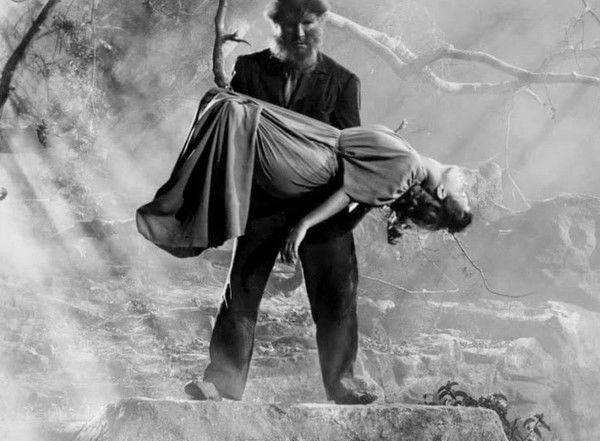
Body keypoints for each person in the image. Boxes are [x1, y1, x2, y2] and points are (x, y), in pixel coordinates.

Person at [136, 89, 473, 404]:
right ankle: (223, 381)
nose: (465, 183)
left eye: (464, 193)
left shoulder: (407, 164)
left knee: (329, 294)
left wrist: (307, 227)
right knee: (247, 283)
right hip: (299, 173)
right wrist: (308, 226)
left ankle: (340, 384)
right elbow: (353, 190)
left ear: (442, 192)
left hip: (309, 186)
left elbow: (352, 195)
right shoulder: (407, 160)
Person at [204, 0, 371, 405]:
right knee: (240, 292)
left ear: (321, 23)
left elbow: (350, 158)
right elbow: (232, 133)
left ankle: (343, 382)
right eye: (289, 24)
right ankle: (222, 382)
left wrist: (314, 221)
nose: (299, 33)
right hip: (264, 201)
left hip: (322, 207)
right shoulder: (250, 70)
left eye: (308, 23)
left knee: (337, 294)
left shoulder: (342, 82)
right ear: (274, 25)